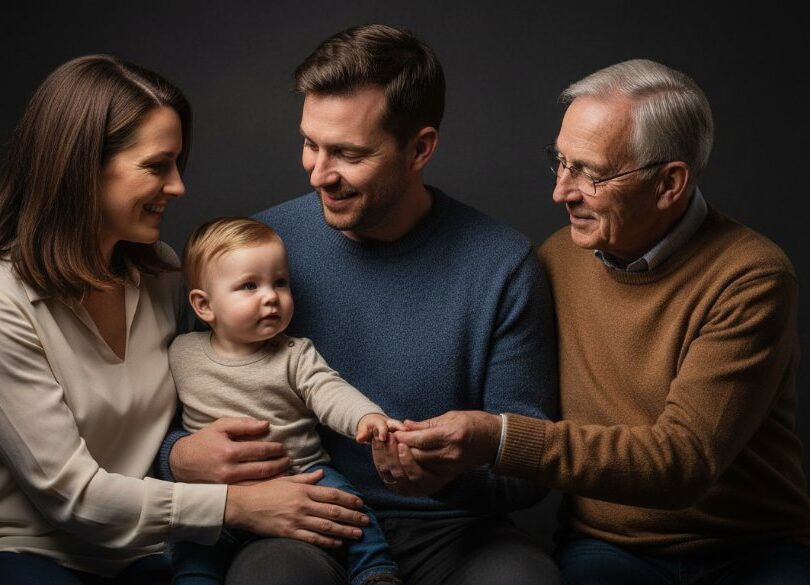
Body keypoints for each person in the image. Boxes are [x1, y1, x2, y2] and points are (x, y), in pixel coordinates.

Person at [0, 55, 370, 585]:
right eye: (157, 165)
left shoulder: (164, 273)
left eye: (178, 164)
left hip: (150, 550)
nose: (178, 187)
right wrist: (236, 504)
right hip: (20, 552)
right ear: (81, 168)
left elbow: (198, 404)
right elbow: (69, 496)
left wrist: (186, 455)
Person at [162, 24, 561, 585]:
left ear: (419, 148)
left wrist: (444, 475)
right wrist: (179, 458)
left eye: (348, 153)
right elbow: (180, 399)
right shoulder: (259, 249)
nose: (319, 174)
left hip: (455, 531)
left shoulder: (502, 265)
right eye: (310, 143)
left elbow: (532, 465)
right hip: (306, 518)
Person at [392, 59, 810, 583]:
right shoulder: (553, 261)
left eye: (590, 172)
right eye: (561, 163)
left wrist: (498, 439)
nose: (561, 192)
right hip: (610, 548)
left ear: (669, 183)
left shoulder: (751, 277)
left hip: (751, 548)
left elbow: (684, 462)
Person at [169, 217, 403, 585]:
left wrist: (365, 417)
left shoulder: (294, 354)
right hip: (217, 490)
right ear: (204, 306)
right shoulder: (181, 353)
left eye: (279, 282)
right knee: (191, 547)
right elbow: (157, 417)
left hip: (302, 473)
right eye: (249, 285)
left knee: (349, 507)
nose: (271, 296)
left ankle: (375, 571)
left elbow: (328, 391)